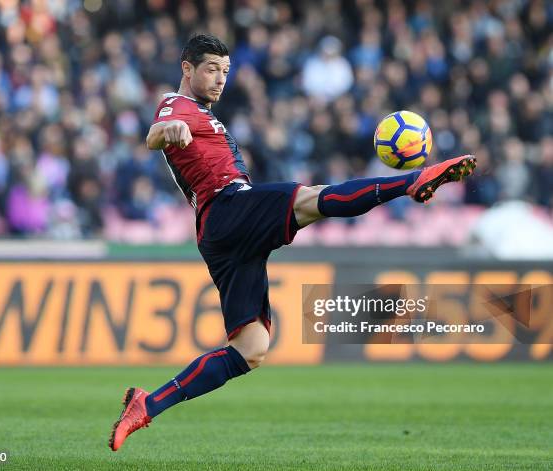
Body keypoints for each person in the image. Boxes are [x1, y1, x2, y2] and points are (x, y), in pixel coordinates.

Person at [108, 34, 476, 451]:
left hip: (219, 235)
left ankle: (147, 404)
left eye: (225, 72)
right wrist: (166, 129)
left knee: (251, 348)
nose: (219, 79)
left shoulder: (203, 112)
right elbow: (156, 133)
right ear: (187, 69)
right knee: (312, 199)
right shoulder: (179, 107)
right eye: (211, 69)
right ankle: (411, 182)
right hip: (228, 207)